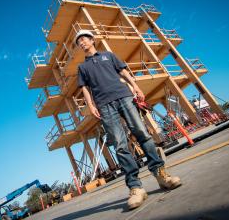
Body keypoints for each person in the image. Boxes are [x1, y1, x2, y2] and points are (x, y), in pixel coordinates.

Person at [76, 30, 182, 210]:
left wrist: (136, 86)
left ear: (92, 40)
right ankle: (135, 188)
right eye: (79, 41)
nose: (82, 42)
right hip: (104, 105)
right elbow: (84, 88)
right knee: (119, 144)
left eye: (84, 39)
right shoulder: (82, 67)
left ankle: (161, 175)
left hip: (124, 96)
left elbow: (123, 72)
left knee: (142, 133)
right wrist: (91, 105)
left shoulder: (108, 56)